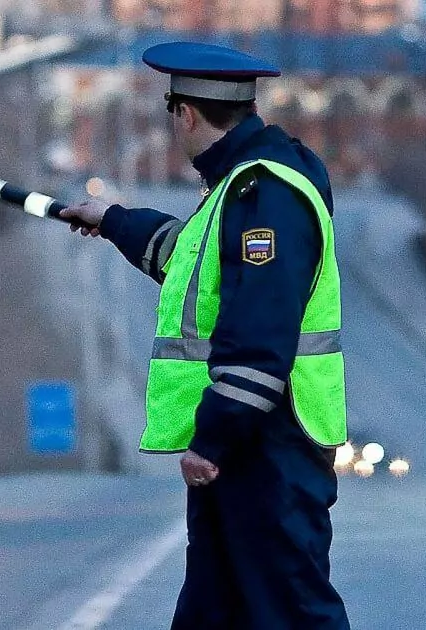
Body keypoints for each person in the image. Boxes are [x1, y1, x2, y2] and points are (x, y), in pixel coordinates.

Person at [60, 41, 351, 629]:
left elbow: (259, 340)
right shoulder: (237, 190)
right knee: (215, 616)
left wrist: (211, 440)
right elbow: (188, 260)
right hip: (252, 452)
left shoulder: (265, 195)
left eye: (170, 112)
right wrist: (113, 220)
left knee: (288, 616)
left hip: (268, 449)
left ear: (185, 114)